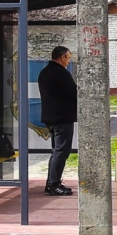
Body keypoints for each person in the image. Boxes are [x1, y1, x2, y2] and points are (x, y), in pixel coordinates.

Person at [38, 46, 77, 196]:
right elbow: (73, 94)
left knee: (56, 151)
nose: (68, 61)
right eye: (68, 58)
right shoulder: (61, 73)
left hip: (51, 118)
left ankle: (52, 182)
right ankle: (53, 184)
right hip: (62, 118)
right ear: (62, 58)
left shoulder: (45, 72)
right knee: (61, 152)